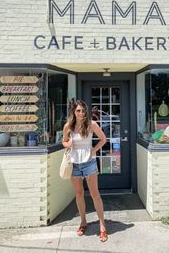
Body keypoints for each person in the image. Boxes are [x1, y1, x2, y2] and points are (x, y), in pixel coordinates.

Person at [62, 100, 108, 242]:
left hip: (89, 163)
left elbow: (103, 139)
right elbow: (63, 141)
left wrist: (93, 151)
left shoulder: (91, 124)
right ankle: (83, 222)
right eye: (78, 111)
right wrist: (68, 143)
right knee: (79, 193)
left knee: (95, 194)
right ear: (73, 112)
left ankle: (102, 225)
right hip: (74, 163)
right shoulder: (68, 126)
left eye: (83, 110)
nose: (81, 113)